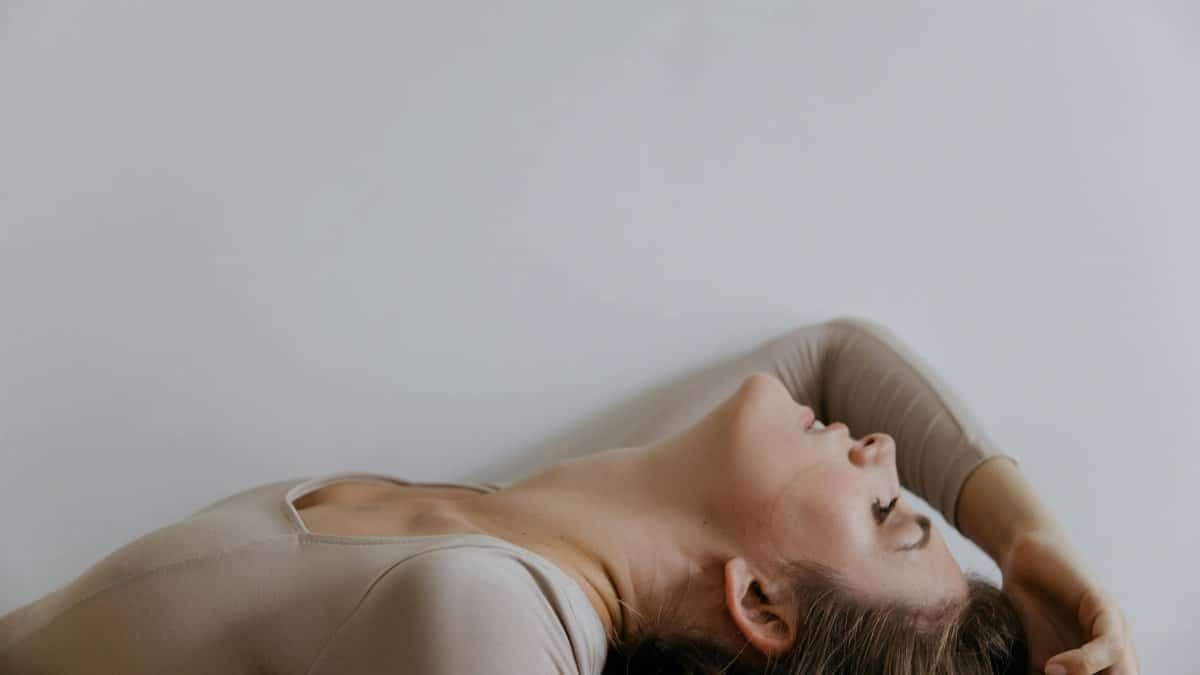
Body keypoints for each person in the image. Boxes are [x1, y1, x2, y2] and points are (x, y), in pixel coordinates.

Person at [0, 316, 1138, 674]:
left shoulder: (501, 620)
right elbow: (837, 350)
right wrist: (1029, 539)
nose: (887, 451)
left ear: (762, 605)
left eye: (889, 517)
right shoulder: (530, 534)